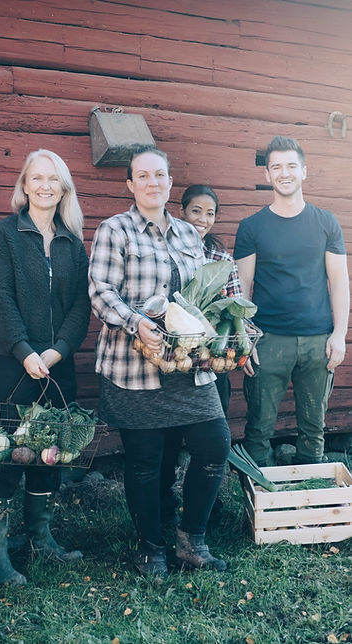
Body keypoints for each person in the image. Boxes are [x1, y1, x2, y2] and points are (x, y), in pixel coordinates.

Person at [89, 147, 231, 577]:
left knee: (214, 446)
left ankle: (191, 540)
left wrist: (223, 326)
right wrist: (135, 322)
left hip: (189, 367)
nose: (153, 182)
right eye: (143, 176)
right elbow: (100, 291)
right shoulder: (115, 230)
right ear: (131, 185)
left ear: (170, 183)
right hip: (134, 368)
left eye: (160, 176)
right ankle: (151, 548)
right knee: (145, 462)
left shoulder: (190, 236)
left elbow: (201, 297)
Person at [0, 149, 90, 586]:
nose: (45, 185)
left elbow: (82, 306)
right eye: (37, 178)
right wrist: (26, 351)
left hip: (57, 365)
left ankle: (40, 540)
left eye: (54, 179)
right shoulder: (4, 235)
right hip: (12, 365)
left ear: (63, 188)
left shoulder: (72, 242)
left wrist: (58, 350)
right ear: (24, 186)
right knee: (5, 454)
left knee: (51, 454)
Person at [234, 136, 349, 466]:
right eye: (277, 167)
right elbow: (241, 287)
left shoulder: (326, 222)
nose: (284, 173)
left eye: (291, 166)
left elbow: (339, 282)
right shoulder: (252, 227)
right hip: (268, 341)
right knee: (258, 430)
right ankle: (258, 510)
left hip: (318, 341)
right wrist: (246, 340)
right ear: (267, 175)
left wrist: (339, 335)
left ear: (304, 171)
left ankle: (310, 507)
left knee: (314, 430)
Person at [159, 184, 243, 524]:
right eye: (196, 211)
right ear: (182, 212)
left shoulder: (222, 259)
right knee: (166, 439)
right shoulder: (165, 250)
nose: (203, 220)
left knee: (211, 439)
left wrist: (240, 345)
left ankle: (208, 506)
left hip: (211, 363)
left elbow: (238, 308)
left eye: (210, 213)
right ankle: (164, 506)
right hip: (170, 360)